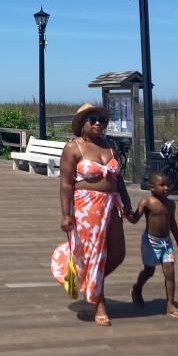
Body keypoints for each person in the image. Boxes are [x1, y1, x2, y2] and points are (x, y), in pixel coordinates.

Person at [50, 103, 133, 327]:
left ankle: (87, 282)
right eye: (92, 120)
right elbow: (66, 184)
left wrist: (127, 201)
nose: (98, 123)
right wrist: (66, 215)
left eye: (101, 120)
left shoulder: (110, 145)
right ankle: (100, 303)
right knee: (96, 254)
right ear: (82, 124)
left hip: (112, 203)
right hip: (86, 206)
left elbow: (118, 178)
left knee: (118, 252)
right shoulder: (73, 147)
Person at [126, 171, 178, 318]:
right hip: (150, 242)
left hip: (166, 243)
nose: (166, 188)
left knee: (170, 272)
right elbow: (135, 219)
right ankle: (137, 288)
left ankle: (170, 304)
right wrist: (127, 215)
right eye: (162, 185)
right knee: (149, 271)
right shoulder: (147, 202)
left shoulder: (171, 204)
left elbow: (173, 224)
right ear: (152, 187)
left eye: (168, 185)